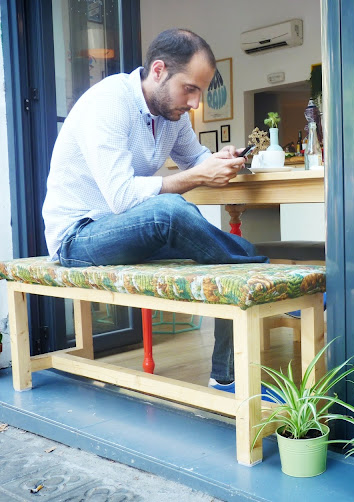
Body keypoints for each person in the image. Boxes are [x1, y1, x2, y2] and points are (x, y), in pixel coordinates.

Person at [42, 28, 267, 393]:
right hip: (79, 236)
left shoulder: (172, 116)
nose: (195, 103)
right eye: (190, 89)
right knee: (169, 211)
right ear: (159, 70)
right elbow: (122, 198)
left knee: (240, 254)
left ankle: (224, 378)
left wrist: (219, 160)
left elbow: (195, 159)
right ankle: (274, 281)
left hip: (131, 230)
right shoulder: (110, 103)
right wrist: (196, 176)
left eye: (200, 92)